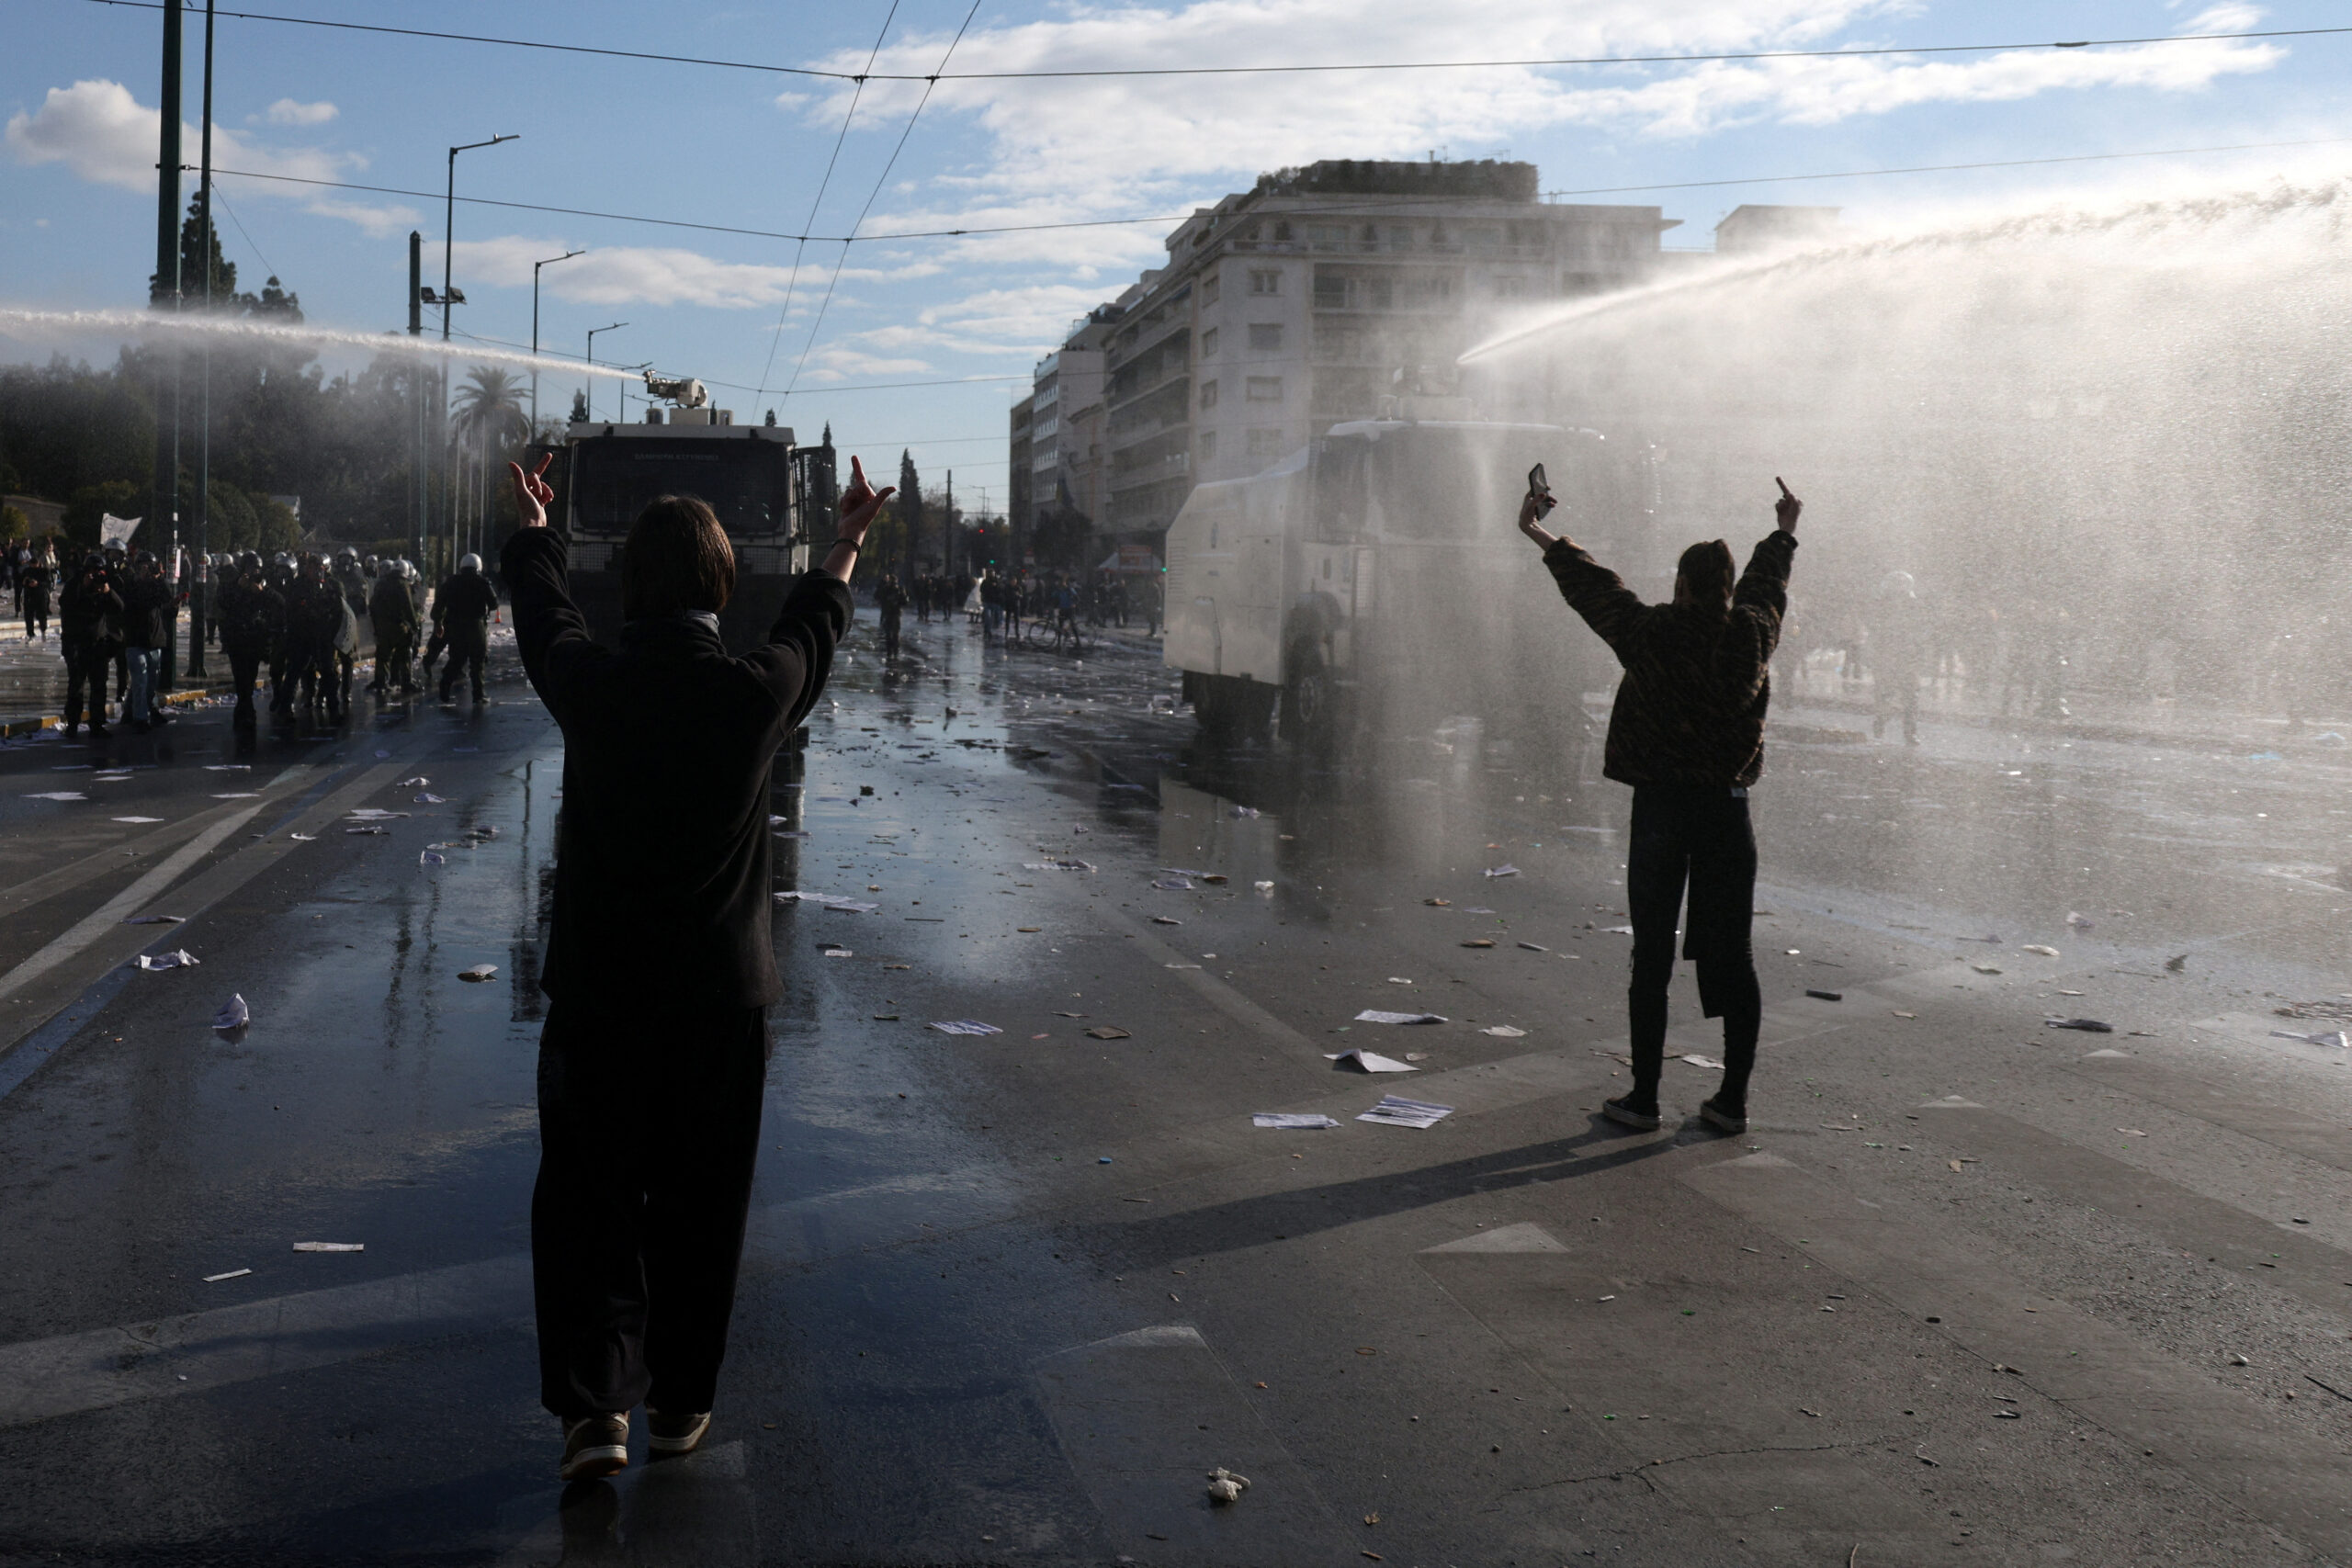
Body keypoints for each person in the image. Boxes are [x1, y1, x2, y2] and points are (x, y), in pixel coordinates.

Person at [501, 447, 890, 1483]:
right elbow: (814, 625)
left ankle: (595, 1411)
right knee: (701, 1207)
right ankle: (680, 1402)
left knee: (587, 1205)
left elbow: (542, 616)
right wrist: (846, 539)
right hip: (720, 1004)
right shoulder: (755, 693)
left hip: (599, 999)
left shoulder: (591, 687)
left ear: (629, 586)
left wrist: (538, 528)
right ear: (723, 586)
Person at [1523, 476, 1804, 1136]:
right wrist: (1785, 530)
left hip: (1661, 810)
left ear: (1681, 585)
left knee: (1651, 953)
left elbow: (1597, 590)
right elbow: (1768, 587)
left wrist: (1537, 531)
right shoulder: (1752, 635)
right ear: (1727, 592)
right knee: (1734, 956)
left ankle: (1644, 1097)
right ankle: (1731, 1100)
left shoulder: (1650, 632)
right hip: (1726, 813)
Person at [218, 552, 284, 733]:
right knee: (241, 679)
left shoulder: (263, 586)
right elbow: (223, 603)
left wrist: (262, 592)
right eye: (250, 569)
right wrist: (239, 589)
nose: (253, 572)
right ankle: (245, 711)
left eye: (256, 569)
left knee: (250, 677)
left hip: (255, 641)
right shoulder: (232, 586)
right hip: (237, 640)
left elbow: (279, 602)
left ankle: (245, 710)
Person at [59, 552, 122, 739]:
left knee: (99, 686)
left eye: (99, 571)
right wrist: (83, 588)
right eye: (93, 571)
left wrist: (108, 592)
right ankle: (72, 724)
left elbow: (119, 608)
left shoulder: (103, 587)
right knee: (76, 686)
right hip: (77, 645)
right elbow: (65, 604)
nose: (96, 575)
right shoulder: (74, 585)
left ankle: (97, 724)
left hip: (98, 645)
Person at [120, 551, 174, 732]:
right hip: (135, 640)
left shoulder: (156, 586)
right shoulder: (131, 586)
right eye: (141, 566)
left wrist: (159, 578)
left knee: (150, 683)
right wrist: (143, 581)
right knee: (140, 680)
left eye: (148, 567)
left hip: (154, 640)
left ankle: (130, 711)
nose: (145, 570)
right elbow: (131, 603)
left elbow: (167, 597)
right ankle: (140, 719)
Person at [435, 554, 500, 705]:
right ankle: (478, 694)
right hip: (476, 625)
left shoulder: (451, 582)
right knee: (477, 661)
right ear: (478, 566)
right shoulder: (482, 582)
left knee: (457, 659)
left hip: (456, 626)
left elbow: (439, 603)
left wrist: (438, 622)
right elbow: (494, 603)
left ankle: (445, 685)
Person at [369, 560, 422, 695]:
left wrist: (377, 625)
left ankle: (381, 683)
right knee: (405, 654)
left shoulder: (381, 584)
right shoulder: (402, 585)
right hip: (398, 626)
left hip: (382, 626)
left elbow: (373, 605)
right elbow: (408, 607)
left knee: (383, 656)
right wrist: (414, 626)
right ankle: (406, 682)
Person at [874, 573, 907, 660]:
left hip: (894, 613)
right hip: (891, 613)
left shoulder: (898, 589)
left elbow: (905, 601)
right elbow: (878, 596)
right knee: (892, 633)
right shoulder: (887, 589)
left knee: (892, 633)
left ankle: (893, 651)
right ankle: (893, 651)